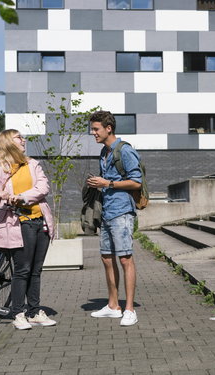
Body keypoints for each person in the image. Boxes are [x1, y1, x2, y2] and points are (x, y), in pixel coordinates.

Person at [0, 129, 56, 330]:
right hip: (17, 222)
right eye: (19, 137)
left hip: (39, 220)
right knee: (23, 270)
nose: (23, 140)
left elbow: (43, 187)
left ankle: (34, 312)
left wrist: (22, 197)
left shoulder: (32, 164)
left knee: (36, 270)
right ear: (8, 142)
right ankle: (18, 313)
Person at [87, 110, 142, 326]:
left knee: (125, 259)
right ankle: (113, 306)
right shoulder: (104, 152)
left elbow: (136, 182)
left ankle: (129, 309)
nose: (93, 133)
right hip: (107, 211)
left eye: (96, 129)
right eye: (92, 129)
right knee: (106, 258)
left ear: (108, 128)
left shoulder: (125, 150)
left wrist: (107, 184)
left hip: (122, 211)